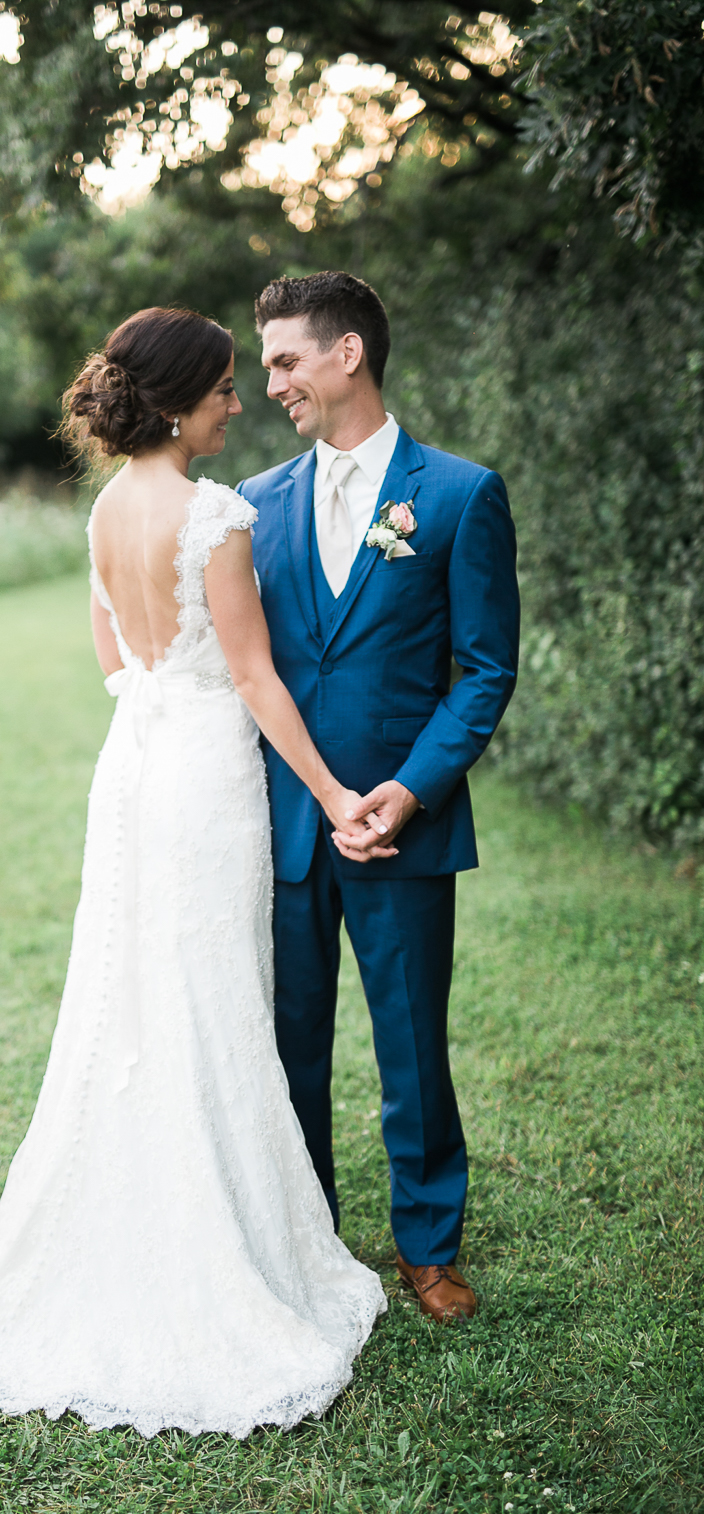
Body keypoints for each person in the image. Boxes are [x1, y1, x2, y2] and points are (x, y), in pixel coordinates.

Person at [0, 307, 387, 1438]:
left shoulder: (104, 508)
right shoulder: (215, 516)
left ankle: (120, 1217)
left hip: (133, 768)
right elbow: (250, 679)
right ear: (182, 399)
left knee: (131, 990)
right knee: (205, 997)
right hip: (201, 778)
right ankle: (207, 1248)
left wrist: (155, 693)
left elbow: (110, 655)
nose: (238, 404)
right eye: (227, 389)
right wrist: (337, 795)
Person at [242, 271, 518, 1324]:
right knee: (287, 1046)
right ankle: (307, 1241)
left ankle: (426, 1247)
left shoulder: (456, 494)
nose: (268, 381)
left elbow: (483, 668)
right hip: (279, 827)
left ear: (345, 352)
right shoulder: (253, 504)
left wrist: (405, 790)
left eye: (283, 359)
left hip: (402, 826)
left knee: (410, 1044)